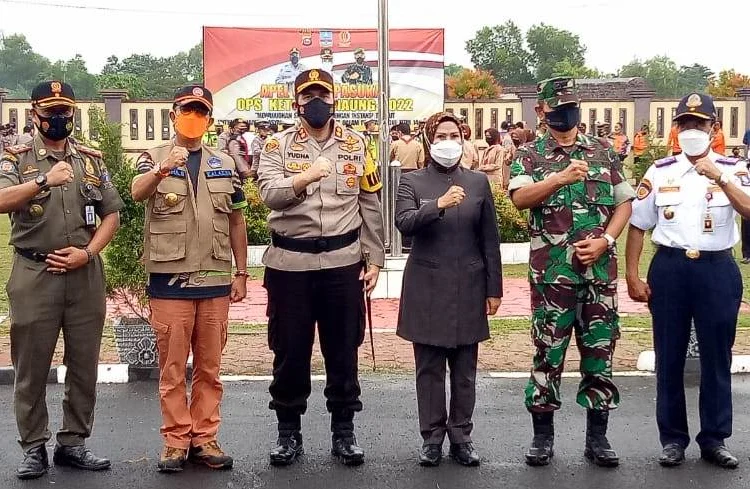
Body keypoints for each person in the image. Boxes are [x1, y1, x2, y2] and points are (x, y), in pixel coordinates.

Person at [257, 69, 385, 467]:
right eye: (308, 95)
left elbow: (369, 203)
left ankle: (344, 432)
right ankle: (288, 433)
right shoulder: (276, 145)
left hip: (342, 265)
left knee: (343, 349)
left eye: (323, 95)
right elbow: (268, 195)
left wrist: (375, 257)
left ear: (334, 100)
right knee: (290, 351)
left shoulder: (357, 144)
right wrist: (305, 177)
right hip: (290, 265)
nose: (316, 102)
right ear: (295, 102)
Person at [508, 77, 635, 468]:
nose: (567, 112)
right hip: (552, 279)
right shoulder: (530, 155)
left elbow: (624, 203)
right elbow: (518, 198)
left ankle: (598, 438)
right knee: (548, 354)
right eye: (558, 106)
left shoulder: (602, 151)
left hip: (598, 275)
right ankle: (542, 438)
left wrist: (607, 241)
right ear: (541, 111)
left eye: (572, 105)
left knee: (600, 354)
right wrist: (558, 178)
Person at [0, 80, 123, 480]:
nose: (58, 118)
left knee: (84, 363)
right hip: (35, 272)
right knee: (32, 365)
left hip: (84, 272)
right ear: (34, 115)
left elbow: (112, 214)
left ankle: (73, 443)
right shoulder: (15, 159)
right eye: (50, 111)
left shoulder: (90, 161)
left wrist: (88, 253)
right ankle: (33, 445)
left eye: (65, 111)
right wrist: (42, 181)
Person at [626, 93, 750, 469]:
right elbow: (637, 225)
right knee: (669, 356)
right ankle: (673, 440)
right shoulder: (660, 171)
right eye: (686, 124)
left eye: (700, 124)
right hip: (670, 268)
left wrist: (722, 177)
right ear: (676, 129)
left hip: (716, 269)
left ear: (714, 129)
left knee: (716, 357)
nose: (693, 131)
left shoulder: (737, 168)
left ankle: (714, 438)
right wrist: (631, 274)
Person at [131, 85, 249, 473]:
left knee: (210, 368)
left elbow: (236, 220)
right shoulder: (151, 158)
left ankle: (205, 438)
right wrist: (162, 168)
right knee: (172, 366)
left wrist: (243, 272)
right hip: (171, 281)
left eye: (201, 112)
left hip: (215, 279)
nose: (193, 117)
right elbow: (136, 193)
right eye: (187, 110)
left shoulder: (226, 163)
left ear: (210, 120)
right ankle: (175, 440)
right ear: (172, 115)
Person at [395, 111, 502, 467]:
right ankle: (432, 438)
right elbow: (404, 224)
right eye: (440, 135)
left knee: (464, 371)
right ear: (429, 140)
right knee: (428, 370)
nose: (447, 142)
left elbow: (490, 240)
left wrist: (494, 288)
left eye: (453, 135)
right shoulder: (412, 181)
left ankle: (461, 436)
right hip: (426, 286)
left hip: (469, 285)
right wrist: (436, 206)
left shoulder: (477, 182)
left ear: (463, 138)